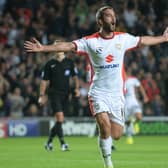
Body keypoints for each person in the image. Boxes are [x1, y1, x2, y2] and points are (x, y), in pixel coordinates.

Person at [24, 6, 168, 168]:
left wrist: (163, 39)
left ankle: (105, 139)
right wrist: (44, 48)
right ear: (100, 21)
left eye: (113, 16)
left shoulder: (123, 38)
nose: (112, 18)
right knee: (104, 126)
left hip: (117, 95)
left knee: (116, 134)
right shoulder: (91, 41)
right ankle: (108, 164)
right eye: (108, 16)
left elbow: (143, 41)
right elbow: (68, 46)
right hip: (98, 93)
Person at [38, 41, 80, 151]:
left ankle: (49, 142)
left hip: (66, 95)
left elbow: (75, 77)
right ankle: (63, 144)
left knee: (59, 121)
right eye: (55, 46)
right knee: (60, 118)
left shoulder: (69, 63)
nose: (57, 48)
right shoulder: (49, 64)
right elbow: (44, 80)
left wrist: (76, 89)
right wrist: (42, 95)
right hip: (54, 94)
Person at [124, 68, 148, 145]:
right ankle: (129, 136)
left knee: (139, 117)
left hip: (133, 101)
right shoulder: (120, 80)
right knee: (127, 122)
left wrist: (145, 96)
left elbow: (140, 87)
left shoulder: (133, 80)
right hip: (124, 103)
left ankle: (134, 123)